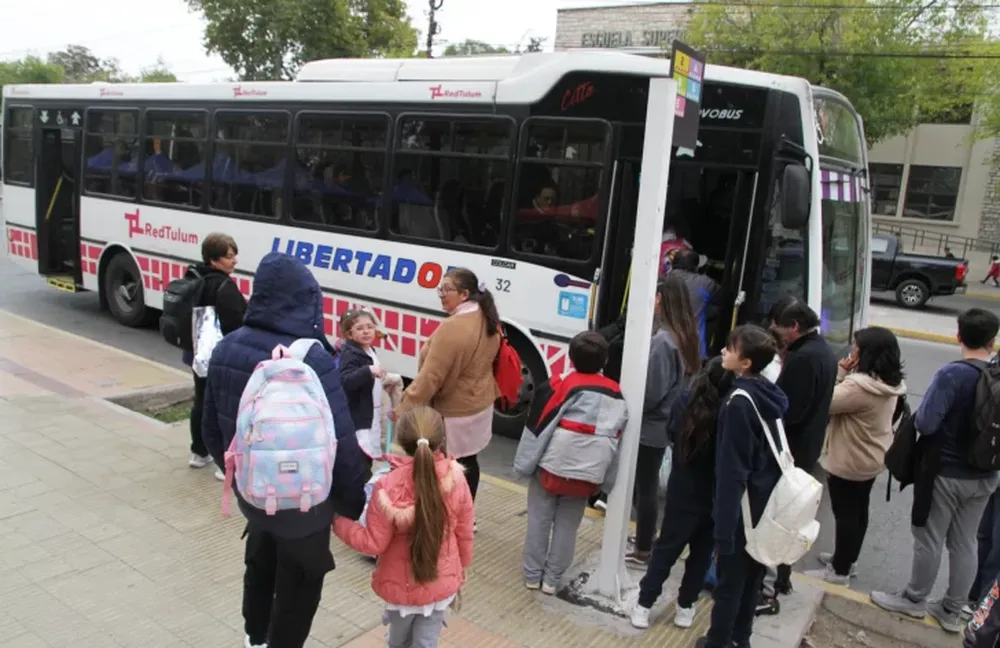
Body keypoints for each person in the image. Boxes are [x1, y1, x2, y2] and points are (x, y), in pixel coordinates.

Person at [201, 252, 369, 648]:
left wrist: (243, 478)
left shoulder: (227, 347)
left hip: (254, 493)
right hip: (306, 506)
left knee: (260, 563)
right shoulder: (312, 356)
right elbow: (342, 444)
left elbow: (212, 430)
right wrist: (354, 504)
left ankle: (254, 637)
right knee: (300, 582)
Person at [871, 308, 1000, 634]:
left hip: (946, 471)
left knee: (928, 536)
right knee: (965, 541)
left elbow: (927, 423)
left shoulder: (952, 375)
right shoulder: (997, 374)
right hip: (986, 475)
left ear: (958, 336)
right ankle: (952, 610)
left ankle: (914, 599)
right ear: (993, 340)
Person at [333, 406, 475, 648]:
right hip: (440, 583)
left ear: (403, 442)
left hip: (401, 588)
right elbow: (464, 532)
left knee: (398, 641)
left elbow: (373, 543)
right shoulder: (457, 479)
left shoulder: (387, 487)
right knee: (426, 642)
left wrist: (337, 522)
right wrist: (460, 569)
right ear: (441, 441)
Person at [514, 331, 627, 594]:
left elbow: (539, 428)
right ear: (604, 361)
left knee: (539, 520)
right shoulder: (617, 394)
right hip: (587, 474)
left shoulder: (559, 384)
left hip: (552, 468)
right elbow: (615, 441)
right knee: (568, 525)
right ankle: (552, 580)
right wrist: (606, 481)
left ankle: (533, 576)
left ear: (571, 357)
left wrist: (524, 465)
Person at [697, 325, 787, 648]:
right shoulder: (767, 394)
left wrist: (722, 530)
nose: (723, 351)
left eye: (731, 348)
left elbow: (731, 472)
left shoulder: (738, 403)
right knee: (752, 579)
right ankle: (740, 638)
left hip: (741, 511)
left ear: (746, 362)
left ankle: (717, 642)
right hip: (763, 506)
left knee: (729, 585)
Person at [631, 356, 734, 630]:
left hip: (683, 490)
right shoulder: (731, 411)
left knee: (665, 550)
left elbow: (671, 432)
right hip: (716, 495)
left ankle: (643, 604)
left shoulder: (685, 401)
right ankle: (685, 606)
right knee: (702, 555)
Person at [804, 327, 907, 585]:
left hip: (850, 458)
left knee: (846, 514)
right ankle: (847, 559)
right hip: (873, 456)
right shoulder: (889, 381)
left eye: (856, 348)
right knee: (859, 511)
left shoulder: (859, 387)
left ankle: (839, 571)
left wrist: (840, 373)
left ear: (867, 354)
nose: (851, 350)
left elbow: (825, 402)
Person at [394, 267, 501, 506]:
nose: (440, 294)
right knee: (469, 461)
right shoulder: (486, 316)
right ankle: (467, 513)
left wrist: (402, 408)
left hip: (455, 411)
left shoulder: (453, 327)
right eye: (439, 289)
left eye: (445, 289)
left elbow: (430, 377)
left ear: (464, 294)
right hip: (480, 405)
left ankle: (449, 514)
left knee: (448, 466)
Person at [761, 297, 837, 601]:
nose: (772, 329)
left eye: (777, 326)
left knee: (778, 518)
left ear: (794, 327)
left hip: (790, 452)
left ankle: (772, 584)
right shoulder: (822, 352)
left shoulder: (804, 360)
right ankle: (781, 578)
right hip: (806, 448)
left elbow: (788, 411)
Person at [627, 274, 701, 566]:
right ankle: (646, 540)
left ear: (661, 300)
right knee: (648, 488)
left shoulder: (662, 341)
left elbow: (650, 393)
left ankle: (643, 548)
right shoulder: (687, 335)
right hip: (667, 424)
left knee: (643, 490)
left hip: (650, 428)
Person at [185, 232, 247, 480]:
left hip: (200, 351)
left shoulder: (196, 277)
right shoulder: (224, 286)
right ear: (214, 259)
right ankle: (226, 462)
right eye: (229, 256)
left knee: (201, 401)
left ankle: (199, 453)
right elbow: (237, 324)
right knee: (225, 406)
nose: (235, 261)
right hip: (220, 355)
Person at [338, 309, 403, 462]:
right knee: (361, 455)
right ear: (349, 335)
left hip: (372, 411)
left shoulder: (369, 350)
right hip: (360, 416)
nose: (366, 332)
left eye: (370, 327)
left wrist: (382, 379)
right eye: (359, 329)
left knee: (370, 450)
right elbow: (346, 381)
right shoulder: (351, 354)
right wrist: (368, 371)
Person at [670, 248, 720, 358]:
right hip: (693, 351)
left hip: (663, 345)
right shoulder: (706, 283)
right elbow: (720, 304)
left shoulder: (659, 280)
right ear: (696, 267)